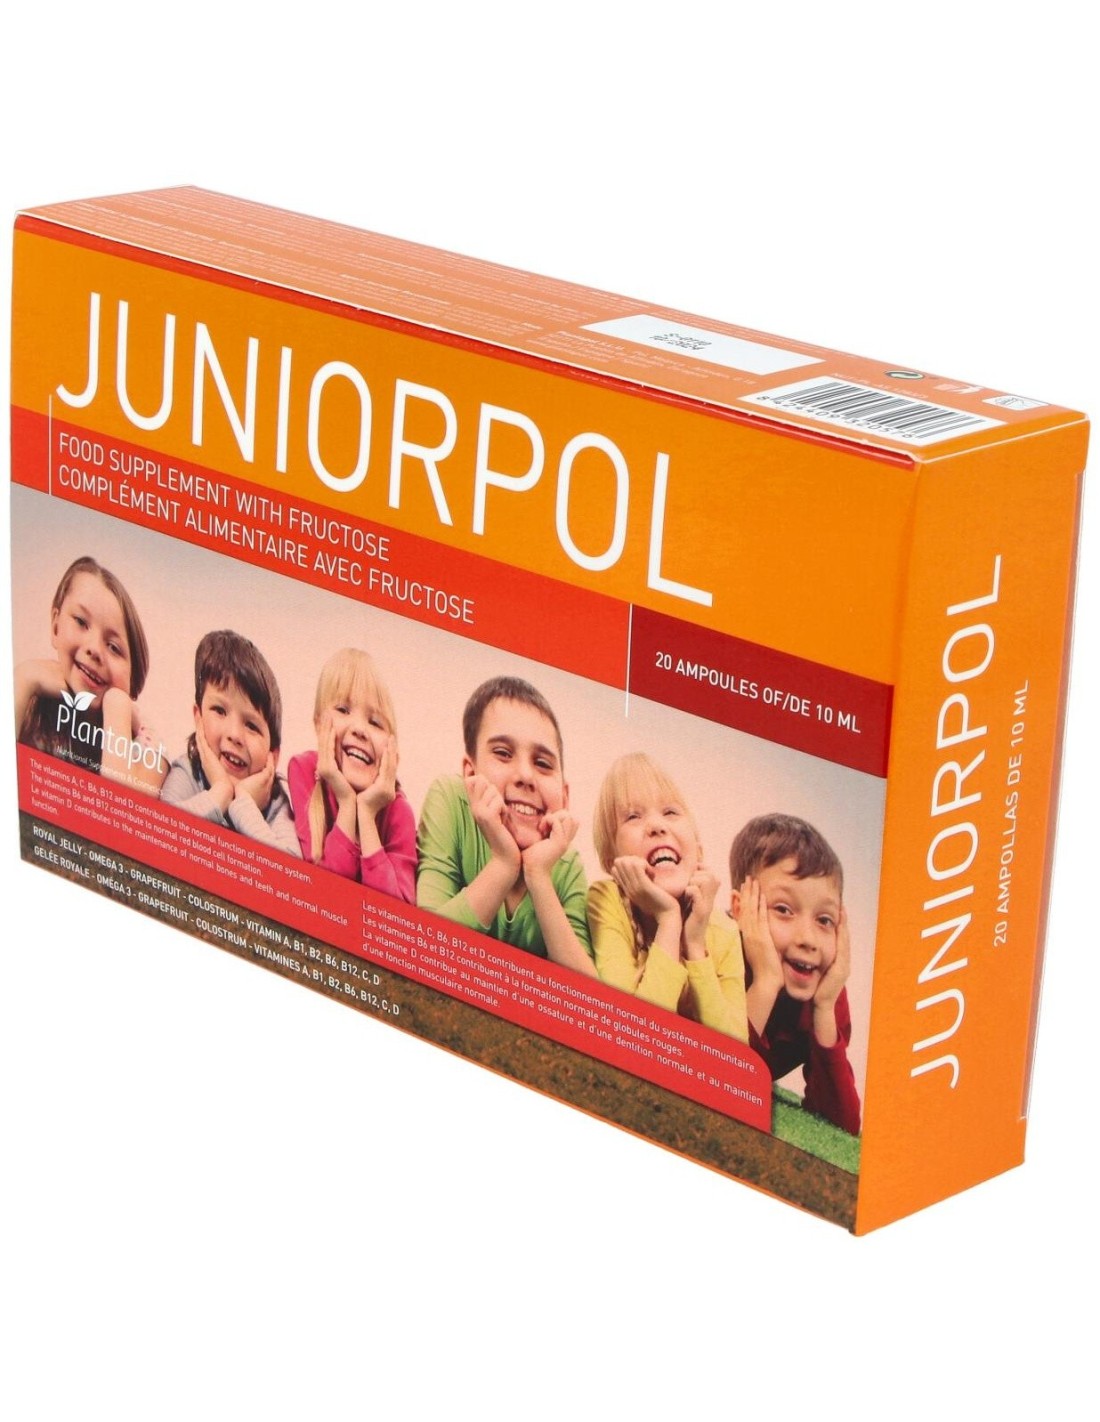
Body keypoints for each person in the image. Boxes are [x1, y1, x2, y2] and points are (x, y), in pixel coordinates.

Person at [416, 675, 594, 975]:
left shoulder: (567, 864)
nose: (525, 775)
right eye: (503, 753)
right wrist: (503, 863)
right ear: (470, 774)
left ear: (564, 797)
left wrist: (538, 875)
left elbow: (588, 990)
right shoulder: (449, 799)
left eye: (543, 764)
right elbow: (425, 946)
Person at [588, 752, 747, 1040]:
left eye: (671, 812)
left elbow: (733, 1047)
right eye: (633, 816)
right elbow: (633, 1031)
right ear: (613, 862)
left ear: (698, 852)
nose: (657, 826)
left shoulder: (724, 932)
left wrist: (695, 946)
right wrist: (669, 920)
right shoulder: (606, 900)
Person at [729, 813, 860, 1134]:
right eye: (784, 910)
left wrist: (824, 1008)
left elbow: (842, 1122)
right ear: (741, 908)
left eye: (825, 920)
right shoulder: (717, 955)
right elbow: (717, 1074)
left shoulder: (824, 991)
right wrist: (765, 982)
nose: (808, 939)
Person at [15, 554, 166, 793]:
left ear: (133, 678)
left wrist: (117, 704)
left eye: (114, 647)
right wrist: (25, 677)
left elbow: (118, 801)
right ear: (55, 627)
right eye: (81, 622)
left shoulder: (148, 745)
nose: (94, 650)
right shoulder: (28, 700)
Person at [287, 648, 415, 900]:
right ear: (318, 725)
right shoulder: (303, 769)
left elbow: (392, 911)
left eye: (375, 723)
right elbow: (322, 893)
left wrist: (366, 814)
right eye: (343, 710)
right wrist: (347, 803)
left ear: (392, 752)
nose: (360, 730)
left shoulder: (399, 812)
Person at [161, 629, 300, 857]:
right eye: (219, 710)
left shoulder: (274, 801)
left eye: (252, 726)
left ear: (273, 756)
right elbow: (161, 827)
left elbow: (290, 862)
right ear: (199, 718)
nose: (235, 735)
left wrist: (243, 803)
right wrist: (221, 793)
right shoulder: (188, 770)